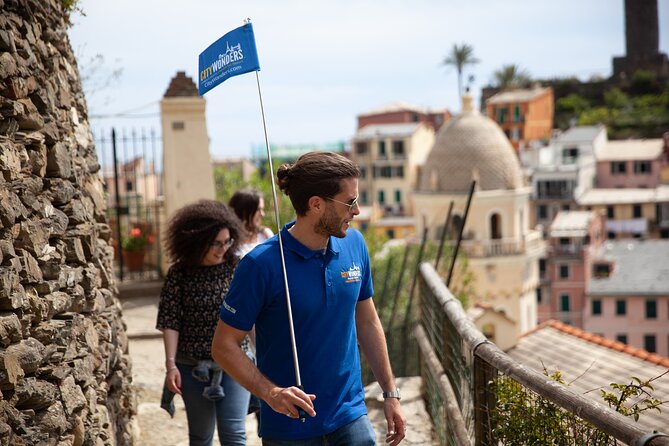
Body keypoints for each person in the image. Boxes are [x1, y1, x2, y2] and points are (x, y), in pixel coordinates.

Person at [211, 152, 406, 445]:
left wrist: (390, 393)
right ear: (316, 204)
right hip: (290, 427)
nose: (357, 211)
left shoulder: (355, 244)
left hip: (350, 415)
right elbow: (223, 346)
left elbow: (367, 321)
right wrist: (271, 393)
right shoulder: (260, 265)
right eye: (350, 202)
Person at [156, 199, 250, 446]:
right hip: (191, 367)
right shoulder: (179, 273)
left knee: (235, 435)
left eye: (227, 242)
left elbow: (252, 317)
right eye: (216, 244)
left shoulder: (237, 268)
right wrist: (171, 365)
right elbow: (170, 319)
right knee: (200, 437)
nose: (223, 249)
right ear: (198, 242)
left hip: (235, 363)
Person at [229, 187, 274, 257]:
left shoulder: (266, 235)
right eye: (258, 210)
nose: (262, 214)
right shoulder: (228, 240)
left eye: (262, 209)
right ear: (244, 211)